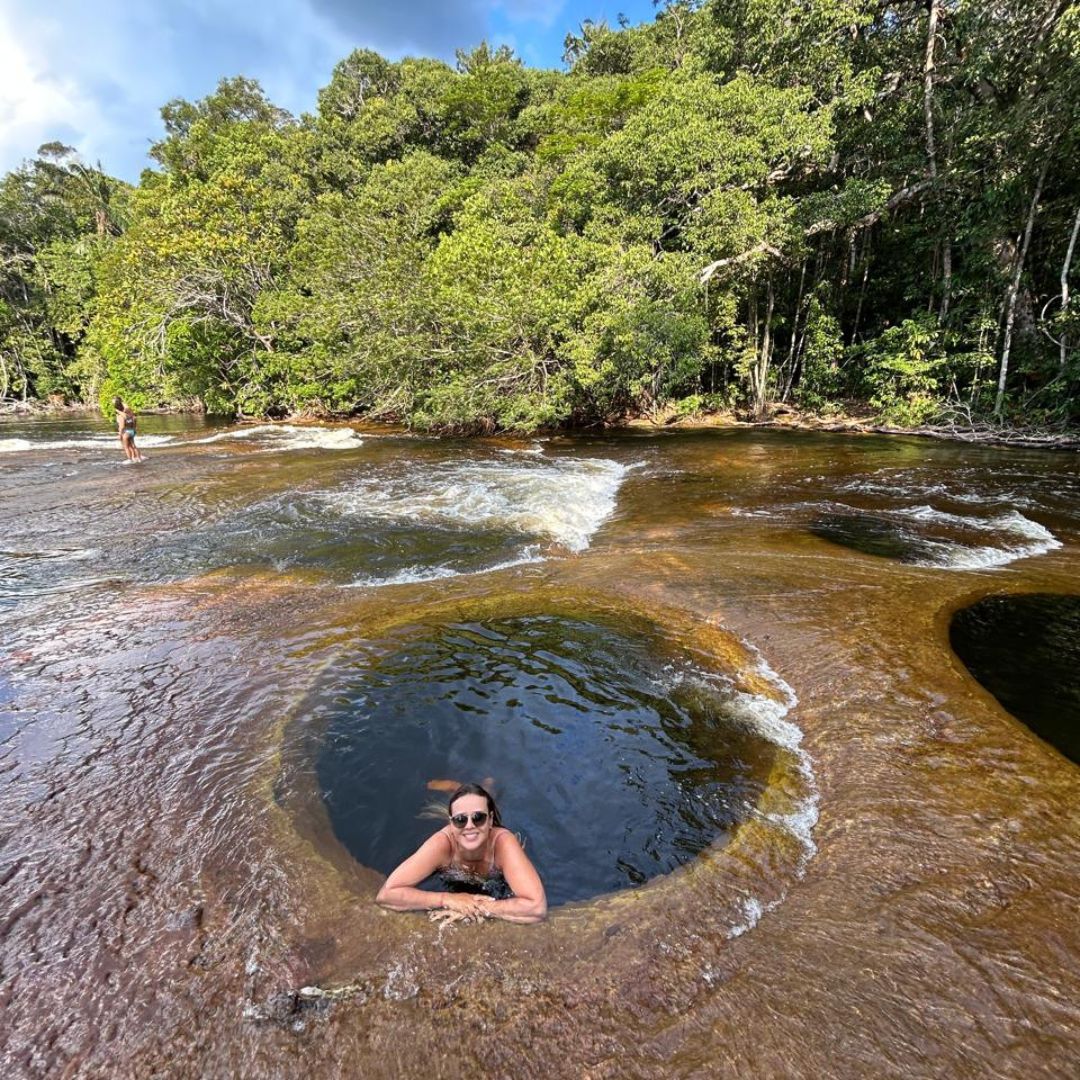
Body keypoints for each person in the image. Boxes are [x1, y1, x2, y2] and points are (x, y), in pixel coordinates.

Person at [376, 783, 547, 925]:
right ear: (451, 824)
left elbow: (536, 908)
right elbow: (387, 894)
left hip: (494, 869)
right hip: (460, 876)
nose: (469, 825)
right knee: (474, 799)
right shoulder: (442, 844)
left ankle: (487, 786)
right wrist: (447, 899)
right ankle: (458, 787)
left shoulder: (503, 844)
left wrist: (475, 906)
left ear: (489, 820)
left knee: (487, 792)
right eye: (460, 820)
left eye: (479, 817)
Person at [113, 396, 145, 463]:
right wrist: (134, 429)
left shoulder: (121, 417)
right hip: (132, 431)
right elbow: (134, 420)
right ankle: (139, 458)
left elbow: (122, 427)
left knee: (126, 447)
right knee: (133, 446)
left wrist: (120, 434)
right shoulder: (129, 415)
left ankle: (130, 459)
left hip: (126, 432)